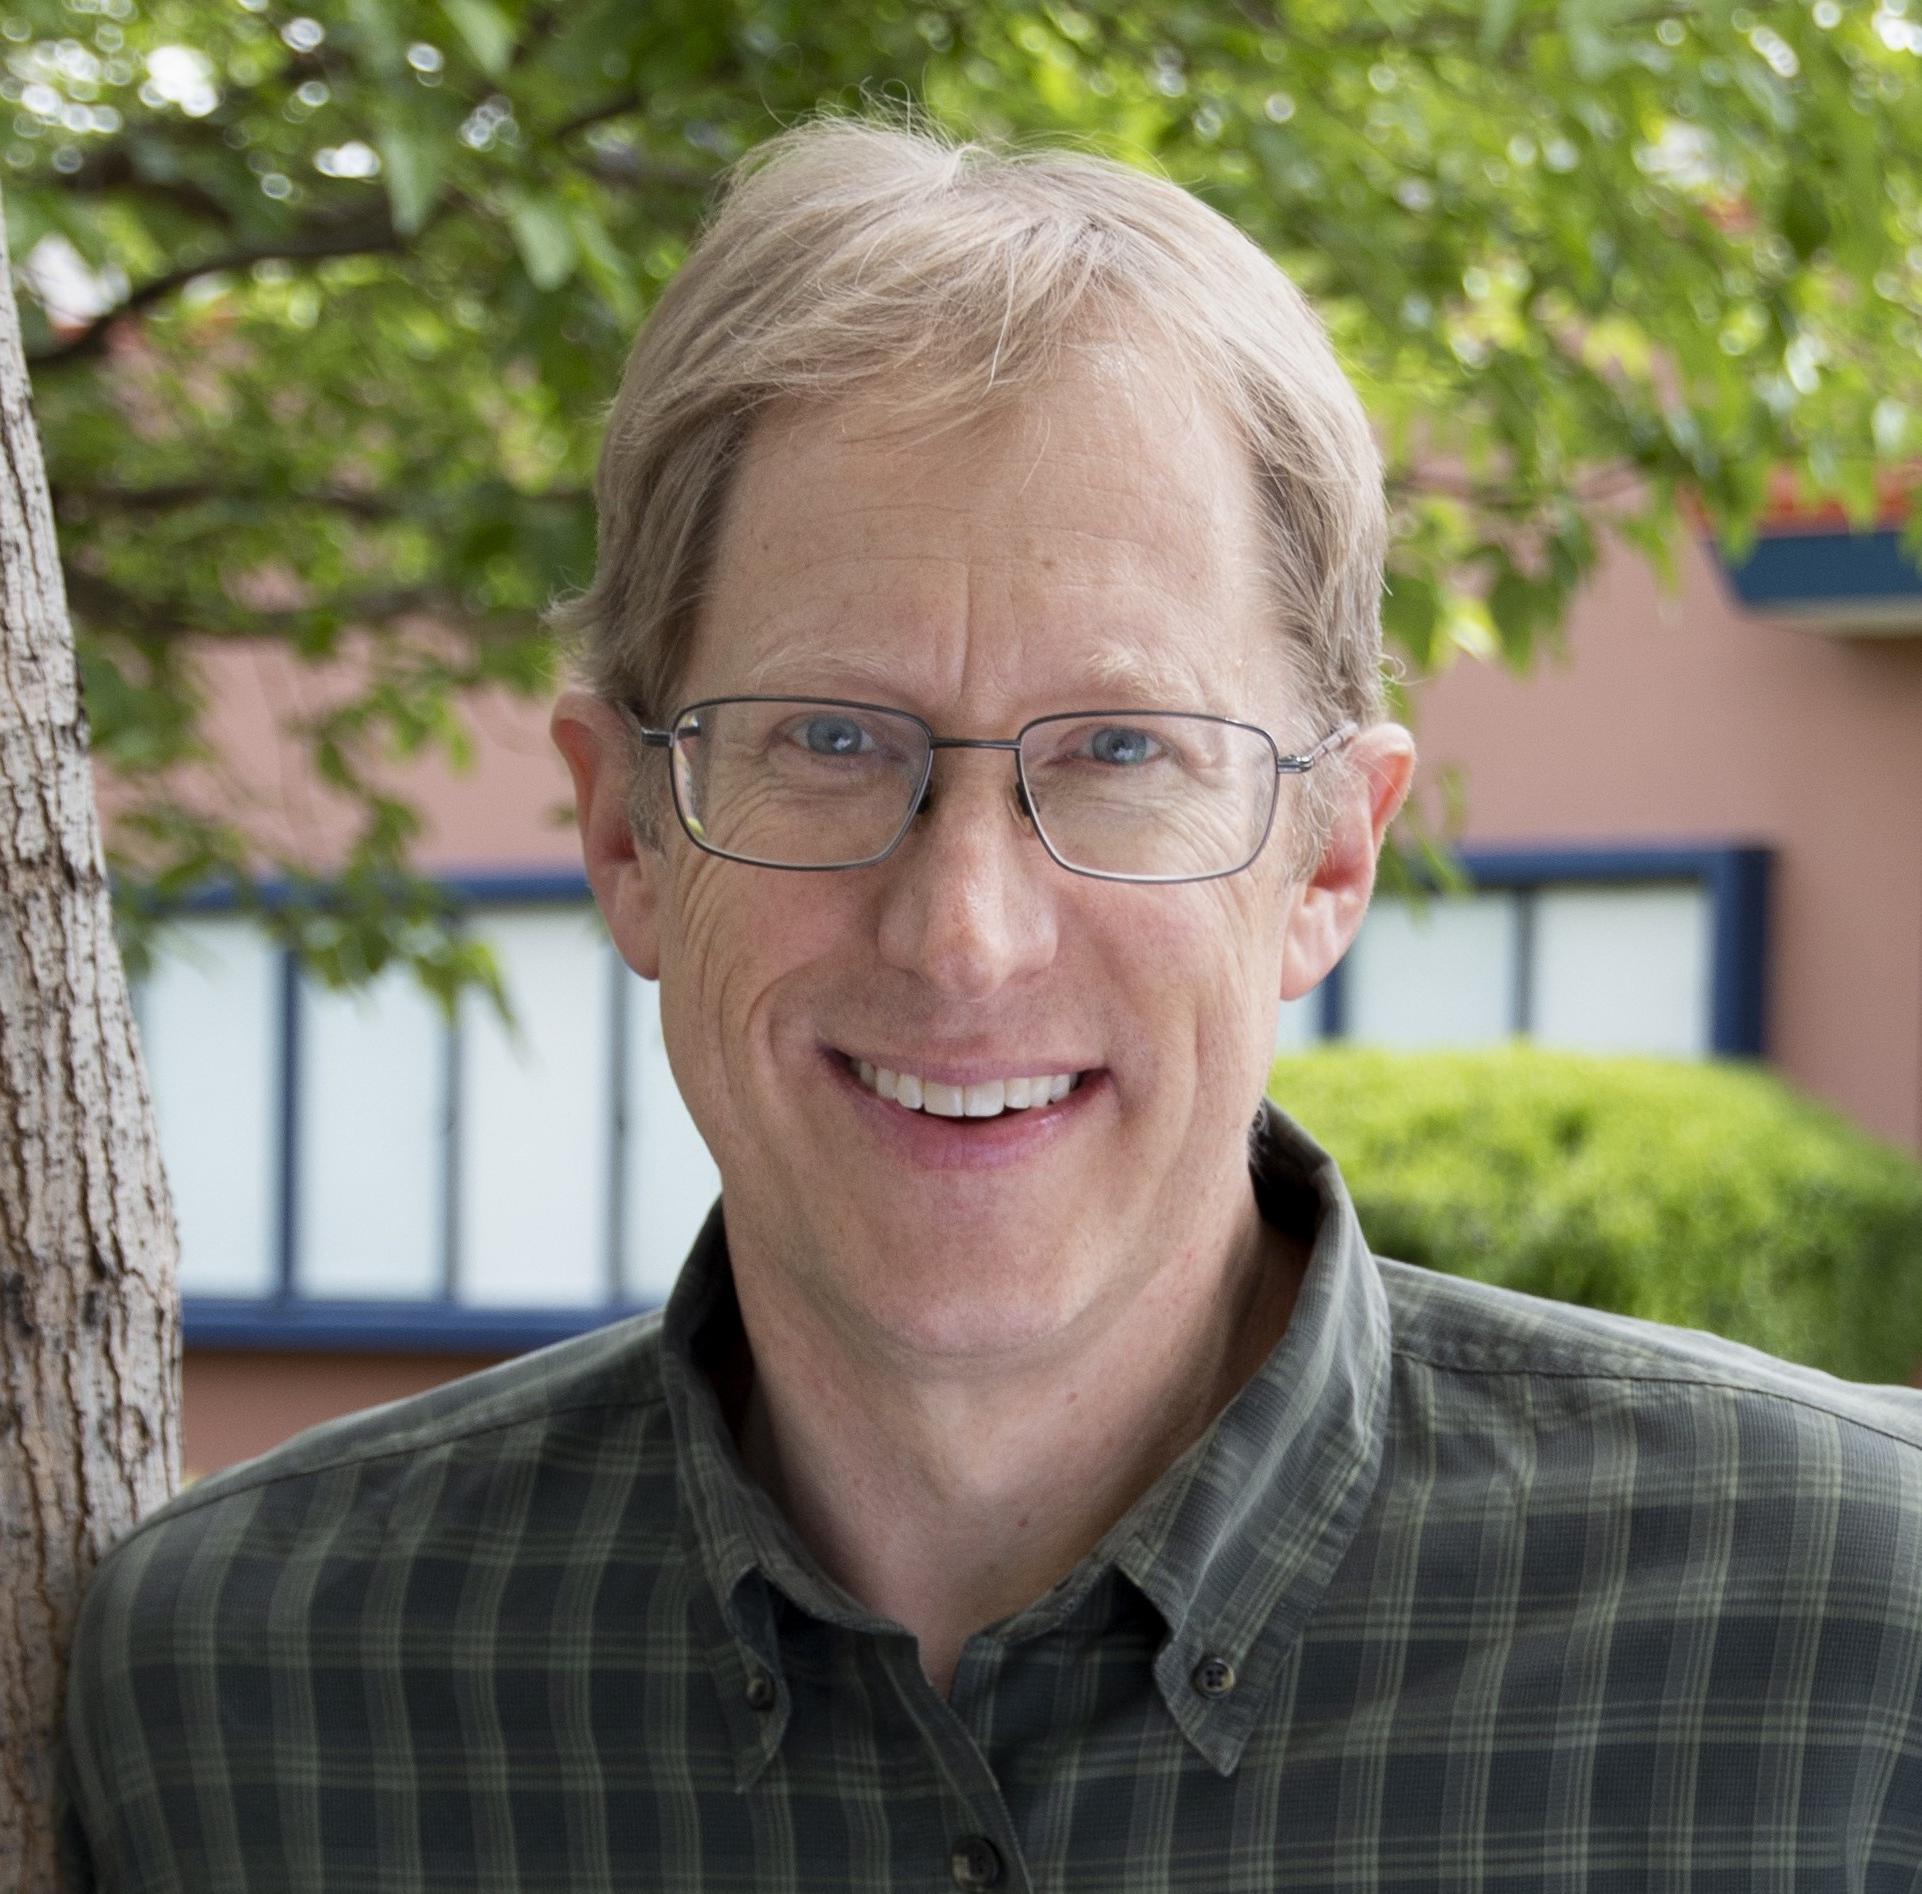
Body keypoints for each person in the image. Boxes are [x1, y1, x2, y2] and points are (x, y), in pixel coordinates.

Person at [60, 111, 1922, 1892]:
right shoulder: (238, 1694)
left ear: (1330, 859)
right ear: (628, 831)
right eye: (829, 737)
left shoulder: (1859, 1640)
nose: (963, 933)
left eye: (1121, 746)